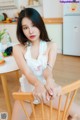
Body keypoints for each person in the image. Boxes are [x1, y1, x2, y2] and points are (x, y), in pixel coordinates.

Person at [12, 8, 80, 120]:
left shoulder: (51, 46)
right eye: (25, 27)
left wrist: (50, 80)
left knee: (78, 113)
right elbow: (28, 73)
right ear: (22, 30)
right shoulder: (17, 49)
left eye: (33, 25)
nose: (31, 31)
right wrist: (38, 85)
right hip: (27, 94)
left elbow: (48, 69)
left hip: (48, 92)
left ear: (40, 24)